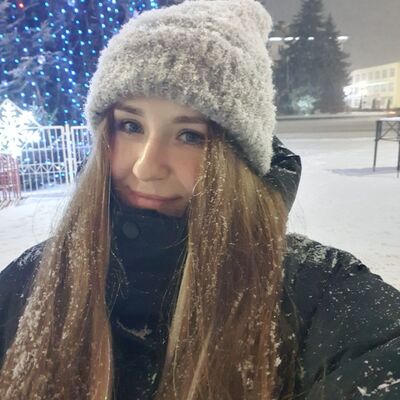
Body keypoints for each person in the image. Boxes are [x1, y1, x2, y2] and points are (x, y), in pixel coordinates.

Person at [0, 0, 399, 399]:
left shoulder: (315, 292)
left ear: (236, 159)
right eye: (131, 126)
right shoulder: (34, 278)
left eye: (190, 135)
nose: (146, 167)